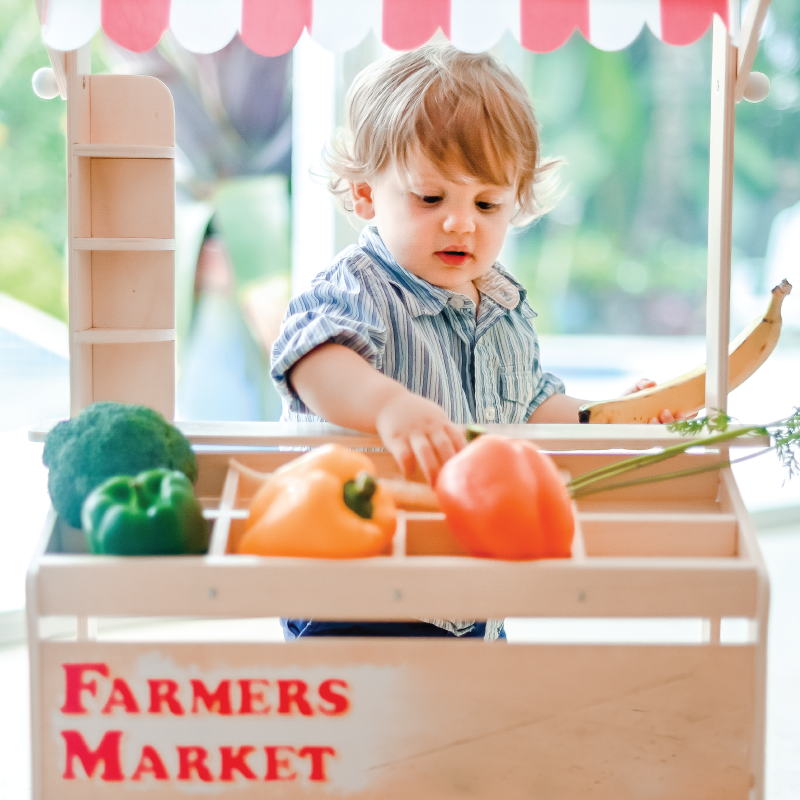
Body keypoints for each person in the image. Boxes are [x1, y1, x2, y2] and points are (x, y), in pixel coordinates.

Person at [270, 43, 669, 641]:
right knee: (375, 726)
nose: (461, 222)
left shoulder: (505, 305)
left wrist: (603, 420)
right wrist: (387, 406)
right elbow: (312, 360)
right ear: (363, 194)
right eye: (430, 198)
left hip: (469, 587)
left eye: (487, 202)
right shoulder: (358, 287)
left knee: (475, 724)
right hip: (359, 583)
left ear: (518, 202)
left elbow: (532, 406)